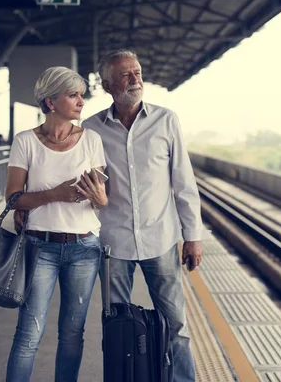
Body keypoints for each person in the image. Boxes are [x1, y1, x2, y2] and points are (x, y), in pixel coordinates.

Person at [82, 49, 204, 382]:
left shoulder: (166, 120)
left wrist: (193, 236)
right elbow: (87, 182)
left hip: (161, 240)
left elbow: (183, 181)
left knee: (175, 325)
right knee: (115, 325)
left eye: (137, 72)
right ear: (108, 85)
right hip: (113, 242)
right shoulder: (91, 129)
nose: (135, 79)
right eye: (125, 74)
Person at [5, 66, 108, 382]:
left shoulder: (91, 140)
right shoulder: (25, 142)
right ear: (50, 102)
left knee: (72, 333)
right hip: (39, 248)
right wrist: (56, 194)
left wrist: (99, 197)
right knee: (28, 333)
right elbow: (12, 199)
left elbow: (103, 197)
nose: (81, 101)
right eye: (73, 95)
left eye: (81, 95)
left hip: (84, 249)